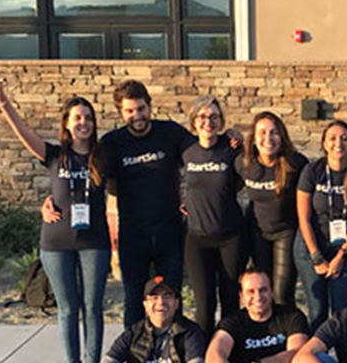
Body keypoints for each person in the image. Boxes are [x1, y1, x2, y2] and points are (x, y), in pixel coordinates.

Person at [0, 64, 110, 363]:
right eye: (77, 117)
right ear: (67, 123)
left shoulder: (103, 157)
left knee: (92, 308)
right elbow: (24, 133)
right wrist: (1, 100)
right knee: (67, 309)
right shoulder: (54, 155)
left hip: (94, 243)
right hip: (56, 244)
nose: (83, 123)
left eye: (88, 118)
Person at [101, 80, 195, 327]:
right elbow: (89, 175)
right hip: (133, 234)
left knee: (172, 297)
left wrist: (231, 138)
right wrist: (53, 199)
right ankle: (135, 356)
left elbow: (203, 154)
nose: (137, 116)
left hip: (169, 231)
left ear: (150, 106)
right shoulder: (112, 143)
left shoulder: (171, 133)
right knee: (134, 299)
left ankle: (175, 352)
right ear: (120, 112)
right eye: (130, 111)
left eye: (141, 109)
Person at [294, 121, 347, 329]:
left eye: (345, 138)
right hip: (311, 247)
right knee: (317, 309)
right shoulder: (312, 171)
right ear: (324, 143)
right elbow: (304, 218)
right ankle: (315, 358)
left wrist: (341, 255)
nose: (339, 143)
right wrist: (316, 257)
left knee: (342, 308)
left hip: (345, 248)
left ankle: (344, 359)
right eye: (333, 138)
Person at [181, 95, 246, 337]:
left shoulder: (231, 148)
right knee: (204, 303)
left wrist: (238, 136)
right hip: (197, 238)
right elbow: (167, 177)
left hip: (231, 236)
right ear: (194, 122)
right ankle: (204, 359)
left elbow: (242, 178)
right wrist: (181, 199)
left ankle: (229, 355)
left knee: (230, 299)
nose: (208, 121)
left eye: (214, 117)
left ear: (221, 121)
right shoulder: (185, 150)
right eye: (203, 116)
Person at [237, 112, 307, 308]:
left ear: (282, 137)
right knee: (262, 291)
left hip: (286, 232)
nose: (268, 139)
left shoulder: (295, 164)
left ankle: (287, 334)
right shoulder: (244, 163)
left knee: (282, 293)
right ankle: (265, 334)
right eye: (263, 133)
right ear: (253, 138)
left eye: (274, 133)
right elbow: (223, 186)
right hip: (257, 233)